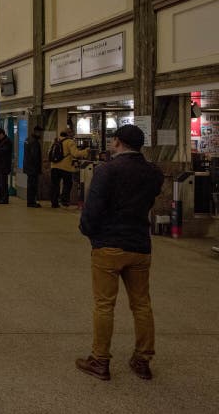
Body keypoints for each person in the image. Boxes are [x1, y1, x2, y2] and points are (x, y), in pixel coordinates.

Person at [75, 125, 164, 381]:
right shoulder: (152, 172)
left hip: (109, 245)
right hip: (139, 245)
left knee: (104, 305)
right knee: (142, 304)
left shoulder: (107, 171)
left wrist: (90, 233)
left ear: (117, 142)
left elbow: (92, 208)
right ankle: (142, 359)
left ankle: (100, 360)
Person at [50, 130, 89, 208]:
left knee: (55, 185)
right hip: (65, 167)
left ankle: (54, 203)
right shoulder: (70, 142)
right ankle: (64, 201)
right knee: (67, 184)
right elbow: (75, 154)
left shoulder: (55, 141)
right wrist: (86, 151)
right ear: (68, 134)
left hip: (54, 166)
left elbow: (50, 153)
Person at [23, 125, 44, 208]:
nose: (41, 134)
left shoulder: (27, 139)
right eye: (41, 133)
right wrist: (38, 168)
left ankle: (30, 201)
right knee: (33, 186)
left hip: (28, 166)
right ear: (37, 132)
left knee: (30, 185)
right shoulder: (34, 142)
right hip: (33, 168)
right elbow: (35, 156)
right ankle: (32, 202)